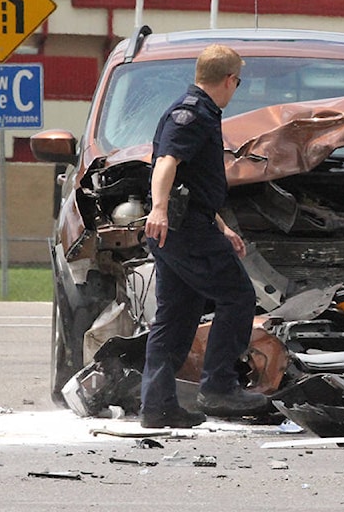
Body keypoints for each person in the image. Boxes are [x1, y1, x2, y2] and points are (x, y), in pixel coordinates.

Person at [139, 43, 268, 428]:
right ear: (230, 80)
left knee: (177, 317)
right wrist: (159, 208)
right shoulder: (191, 115)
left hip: (186, 226)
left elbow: (192, 181)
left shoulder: (196, 111)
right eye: (238, 82)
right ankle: (219, 386)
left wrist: (222, 225)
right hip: (184, 230)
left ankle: (157, 406)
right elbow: (166, 164)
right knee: (237, 295)